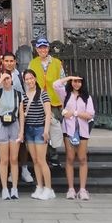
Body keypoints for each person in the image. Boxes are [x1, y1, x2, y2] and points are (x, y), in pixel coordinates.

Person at [54, 74, 95, 201]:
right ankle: (71, 188)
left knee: (82, 158)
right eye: (74, 81)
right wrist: (69, 77)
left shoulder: (87, 97)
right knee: (70, 158)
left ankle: (82, 189)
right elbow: (55, 85)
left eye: (79, 81)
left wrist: (75, 113)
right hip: (69, 131)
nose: (76, 84)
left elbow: (90, 114)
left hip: (82, 131)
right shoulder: (65, 95)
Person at [28, 37, 65, 168]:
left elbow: (62, 82)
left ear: (48, 48)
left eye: (45, 47)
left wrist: (63, 102)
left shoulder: (56, 63)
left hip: (53, 101)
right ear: (36, 49)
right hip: (38, 101)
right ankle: (42, 158)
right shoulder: (32, 63)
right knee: (40, 129)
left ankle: (54, 157)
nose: (42, 49)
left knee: (53, 128)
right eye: (40, 47)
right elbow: (28, 81)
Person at [0, 70, 24, 200]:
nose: (6, 81)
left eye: (8, 78)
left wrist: (22, 131)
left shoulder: (18, 94)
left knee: (14, 159)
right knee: (4, 160)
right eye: (4, 79)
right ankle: (4, 188)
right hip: (1, 124)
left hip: (14, 124)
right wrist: (0, 79)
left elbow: (21, 113)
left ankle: (14, 188)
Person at [22, 68, 55, 200]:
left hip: (40, 129)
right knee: (35, 160)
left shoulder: (43, 94)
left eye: (31, 78)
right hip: (29, 130)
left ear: (35, 79)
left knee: (42, 160)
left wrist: (46, 131)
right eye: (27, 79)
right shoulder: (24, 95)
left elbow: (48, 114)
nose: (29, 81)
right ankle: (39, 186)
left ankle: (48, 188)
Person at [1, 51, 33, 185]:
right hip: (4, 114)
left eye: (11, 61)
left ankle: (24, 169)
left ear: (15, 62)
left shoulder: (21, 76)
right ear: (3, 62)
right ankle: (9, 170)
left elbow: (27, 92)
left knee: (21, 141)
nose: (9, 63)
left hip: (20, 111)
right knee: (7, 143)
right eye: (6, 61)